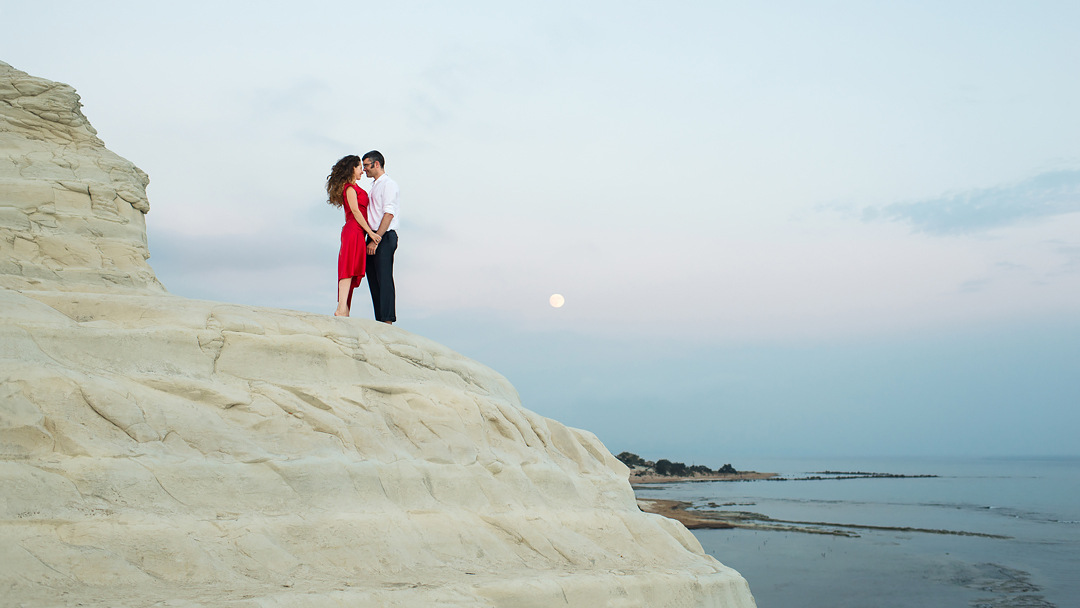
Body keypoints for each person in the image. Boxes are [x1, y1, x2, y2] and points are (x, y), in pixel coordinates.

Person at [326, 155, 380, 317]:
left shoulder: (354, 187)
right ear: (352, 169)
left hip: (356, 232)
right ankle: (341, 308)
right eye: (359, 167)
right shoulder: (350, 188)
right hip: (354, 231)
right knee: (347, 269)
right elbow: (355, 211)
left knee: (352, 269)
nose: (362, 171)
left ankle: (344, 308)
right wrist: (370, 232)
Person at [362, 150, 399, 324]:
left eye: (367, 166)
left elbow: (389, 213)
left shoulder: (388, 184)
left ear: (377, 164)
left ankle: (387, 320)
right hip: (374, 236)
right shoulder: (375, 185)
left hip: (383, 235)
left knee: (384, 277)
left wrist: (376, 238)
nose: (364, 170)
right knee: (373, 278)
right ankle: (379, 319)